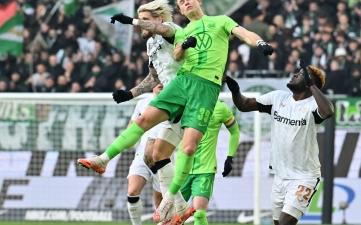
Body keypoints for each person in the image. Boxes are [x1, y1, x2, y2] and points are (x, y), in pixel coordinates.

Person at [79, 0, 273, 224]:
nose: (185, 2)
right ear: (180, 9)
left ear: (198, 1)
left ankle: (172, 199)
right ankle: (103, 160)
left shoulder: (217, 22)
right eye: (180, 2)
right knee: (144, 128)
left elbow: (243, 32)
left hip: (206, 87)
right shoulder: (184, 31)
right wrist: (132, 93)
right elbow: (177, 56)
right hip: (182, 82)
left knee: (186, 148)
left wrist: (259, 42)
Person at [78, 1, 195, 224]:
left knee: (141, 123)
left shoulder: (171, 30)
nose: (141, 26)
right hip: (171, 98)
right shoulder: (151, 44)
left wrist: (131, 20)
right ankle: (181, 206)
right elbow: (153, 78)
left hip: (183, 94)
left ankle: (103, 159)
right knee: (152, 154)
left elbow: (164, 29)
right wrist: (130, 94)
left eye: (145, 20)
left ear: (158, 19)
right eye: (139, 20)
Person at [224, 60, 334, 225]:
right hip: (280, 177)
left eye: (301, 75)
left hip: (304, 177)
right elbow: (244, 105)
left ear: (308, 84)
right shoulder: (278, 98)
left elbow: (328, 112)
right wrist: (236, 90)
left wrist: (311, 84)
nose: (295, 74)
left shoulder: (313, 106)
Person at [179, 100, 240, 225]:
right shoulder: (186, 102)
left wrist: (230, 157)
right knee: (176, 216)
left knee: (200, 213)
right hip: (181, 168)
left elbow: (235, 131)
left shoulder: (220, 107)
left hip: (205, 169)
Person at [126, 84, 164, 225]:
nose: (160, 83)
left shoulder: (173, 103)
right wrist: (128, 141)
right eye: (157, 80)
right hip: (142, 154)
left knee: (159, 203)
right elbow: (132, 125)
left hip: (163, 157)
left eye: (163, 79)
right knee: (132, 191)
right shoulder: (142, 103)